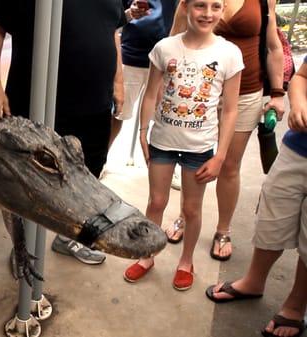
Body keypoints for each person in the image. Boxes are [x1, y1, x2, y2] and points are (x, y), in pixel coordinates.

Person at [0, 0, 128, 265]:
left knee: (88, 173)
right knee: (23, 184)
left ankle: (69, 238)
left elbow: (112, 32)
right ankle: (22, 248)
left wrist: (118, 80)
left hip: (94, 103)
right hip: (35, 103)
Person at [123, 0, 244, 290]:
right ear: (186, 7)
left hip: (199, 147)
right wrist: (143, 130)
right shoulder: (165, 48)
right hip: (163, 141)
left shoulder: (229, 53)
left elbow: (230, 110)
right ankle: (147, 255)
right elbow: (151, 94)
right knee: (156, 202)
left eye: (216, 6)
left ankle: (186, 261)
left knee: (191, 209)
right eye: (200, 6)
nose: (208, 13)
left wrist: (220, 156)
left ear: (223, 9)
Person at [165, 0, 285, 261]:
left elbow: (273, 46)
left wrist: (277, 93)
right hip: (198, 93)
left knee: (230, 165)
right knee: (193, 160)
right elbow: (174, 38)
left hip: (245, 92)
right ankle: (186, 217)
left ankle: (223, 231)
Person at [205, 57, 307, 337]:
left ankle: (296, 307)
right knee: (272, 215)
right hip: (298, 148)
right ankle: (254, 281)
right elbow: (301, 77)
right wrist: (298, 102)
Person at [109, 0, 178, 148]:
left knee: (163, 118)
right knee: (117, 113)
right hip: (130, 57)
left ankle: (158, 166)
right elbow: (113, 17)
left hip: (164, 62)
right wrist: (130, 13)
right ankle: (100, 160)